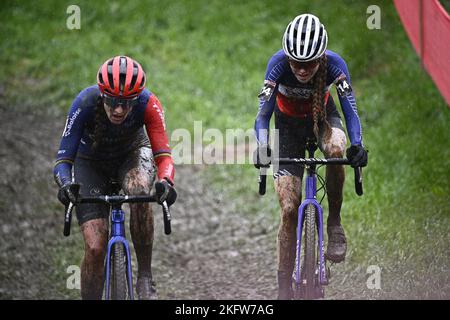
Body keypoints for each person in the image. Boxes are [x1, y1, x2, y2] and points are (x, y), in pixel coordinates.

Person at [254, 14, 368, 299]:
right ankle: (283, 288)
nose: (302, 70)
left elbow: (350, 111)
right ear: (287, 57)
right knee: (290, 209)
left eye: (309, 64)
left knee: (336, 149)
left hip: (323, 119)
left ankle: (334, 223)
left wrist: (357, 145)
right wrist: (264, 145)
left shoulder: (335, 65)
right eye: (295, 63)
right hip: (287, 130)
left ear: (321, 57)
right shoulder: (277, 65)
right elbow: (263, 116)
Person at [53, 56, 177, 300]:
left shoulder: (149, 103)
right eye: (112, 101)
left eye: (127, 102)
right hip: (90, 164)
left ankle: (144, 276)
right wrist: (66, 185)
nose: (119, 109)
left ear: (137, 98)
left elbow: (164, 156)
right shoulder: (84, 103)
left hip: (131, 155)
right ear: (102, 95)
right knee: (95, 246)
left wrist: (165, 181)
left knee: (140, 189)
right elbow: (63, 160)